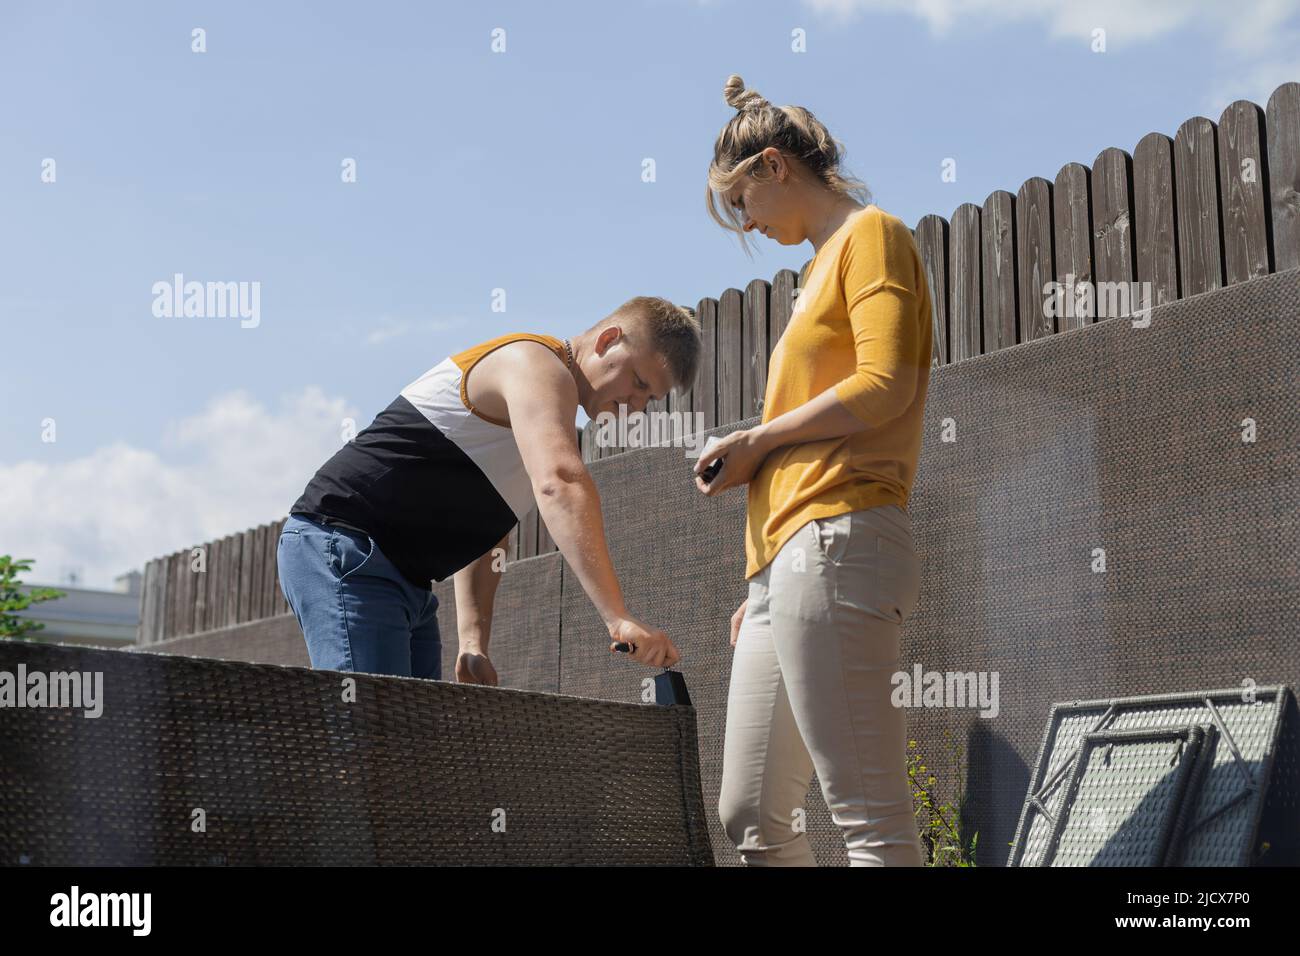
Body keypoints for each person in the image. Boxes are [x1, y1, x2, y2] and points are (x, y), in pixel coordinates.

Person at [696, 75, 934, 866]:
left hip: (839, 540)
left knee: (866, 813)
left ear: (774, 166)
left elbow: (885, 383)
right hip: (784, 567)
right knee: (752, 815)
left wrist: (759, 441)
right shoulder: (812, 275)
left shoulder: (873, 235)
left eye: (743, 204)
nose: (747, 225)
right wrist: (759, 577)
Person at [278, 297, 700, 684]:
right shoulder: (532, 361)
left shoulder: (546, 420)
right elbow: (561, 482)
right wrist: (617, 617)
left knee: (410, 755)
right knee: (367, 745)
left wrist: (472, 643)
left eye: (651, 399)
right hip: (344, 546)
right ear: (609, 340)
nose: (637, 405)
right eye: (640, 383)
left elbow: (486, 533)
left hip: (408, 585)